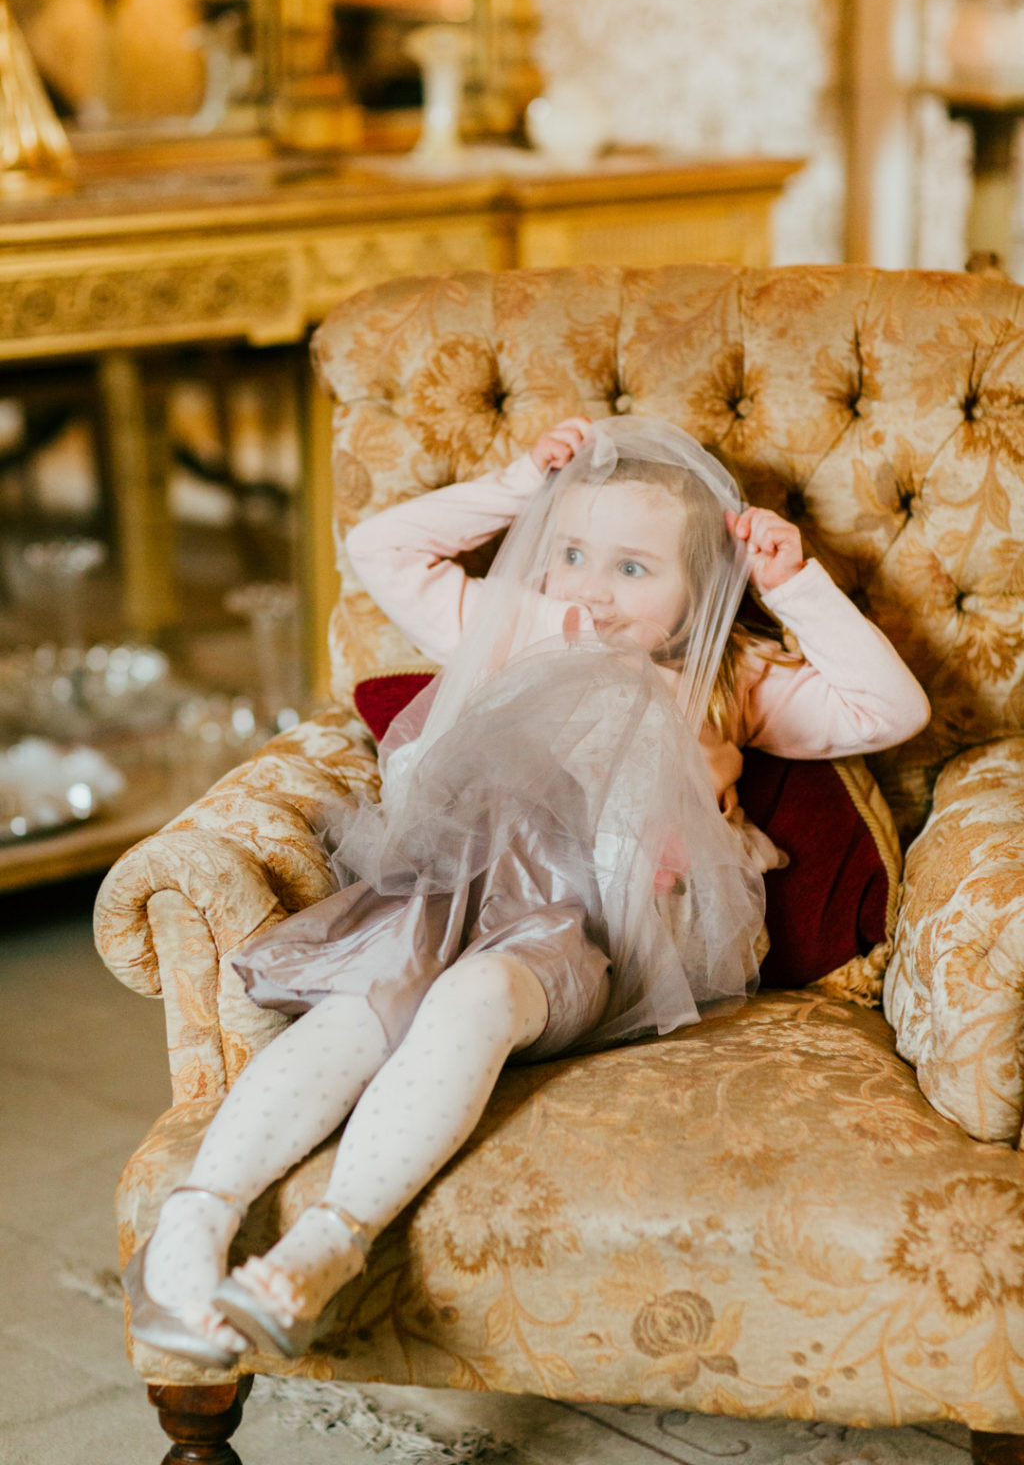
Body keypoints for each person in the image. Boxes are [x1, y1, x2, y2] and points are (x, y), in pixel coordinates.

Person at [123, 416, 930, 1367]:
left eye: (634, 568)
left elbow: (891, 709)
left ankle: (325, 1245)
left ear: (701, 587)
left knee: (473, 998)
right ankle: (194, 1226)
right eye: (571, 552)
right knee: (359, 1011)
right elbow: (380, 549)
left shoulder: (720, 680)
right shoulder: (515, 627)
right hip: (449, 891)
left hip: (591, 933)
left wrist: (790, 582)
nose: (591, 585)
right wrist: (516, 489)